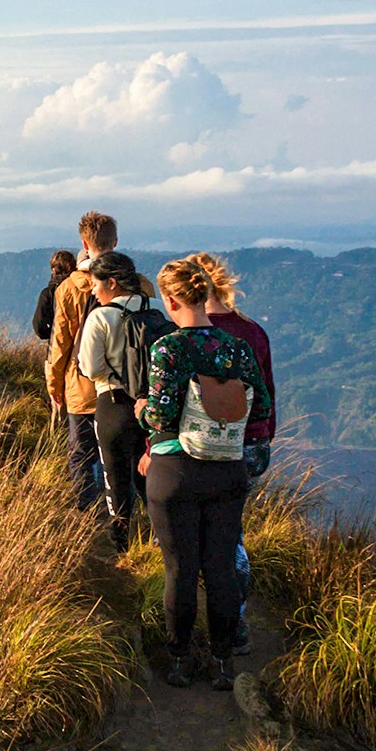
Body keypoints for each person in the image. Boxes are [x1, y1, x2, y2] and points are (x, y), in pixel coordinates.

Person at [135, 255, 271, 691]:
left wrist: (141, 410)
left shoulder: (168, 349)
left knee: (179, 569)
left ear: (172, 301)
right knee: (220, 569)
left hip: (175, 472)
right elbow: (262, 405)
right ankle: (223, 663)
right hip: (227, 469)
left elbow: (160, 417)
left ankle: (180, 661)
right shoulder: (236, 347)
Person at [196, 251, 277, 657]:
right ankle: (234, 617)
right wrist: (264, 439)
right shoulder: (253, 332)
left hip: (213, 445)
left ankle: (230, 622)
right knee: (232, 528)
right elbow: (268, 393)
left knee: (221, 536)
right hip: (253, 445)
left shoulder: (197, 335)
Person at [48, 211, 153, 516]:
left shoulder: (69, 287)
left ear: (84, 242)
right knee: (130, 453)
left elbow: (60, 342)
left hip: (81, 385)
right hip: (130, 386)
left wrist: (55, 384)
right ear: (115, 241)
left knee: (82, 452)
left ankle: (88, 514)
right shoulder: (142, 285)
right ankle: (135, 517)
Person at [75, 251, 162, 552]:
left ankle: (121, 545)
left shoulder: (100, 317)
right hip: (154, 406)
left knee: (115, 476)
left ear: (112, 283)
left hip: (113, 402)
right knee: (150, 474)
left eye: (96, 284)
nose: (93, 291)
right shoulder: (158, 309)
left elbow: (90, 368)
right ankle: (160, 539)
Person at [31, 250, 76, 343]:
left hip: (57, 343)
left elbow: (38, 326)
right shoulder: (80, 289)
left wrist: (52, 334)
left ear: (53, 270)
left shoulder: (48, 293)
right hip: (80, 342)